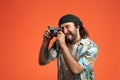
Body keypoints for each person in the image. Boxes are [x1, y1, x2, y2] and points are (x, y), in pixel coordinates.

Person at [39, 14, 98, 80]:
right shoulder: (59, 43)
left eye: (67, 27)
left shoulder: (91, 48)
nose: (65, 31)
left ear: (77, 27)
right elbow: (43, 62)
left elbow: (76, 70)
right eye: (62, 28)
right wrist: (45, 42)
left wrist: (63, 45)